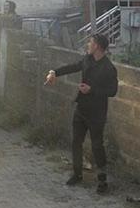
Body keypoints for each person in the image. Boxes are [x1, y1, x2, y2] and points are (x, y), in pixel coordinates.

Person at [44, 34, 117, 193]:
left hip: (97, 113)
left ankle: (102, 181)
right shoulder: (87, 60)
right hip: (81, 109)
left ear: (97, 46)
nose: (88, 45)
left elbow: (113, 91)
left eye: (90, 42)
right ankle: (77, 174)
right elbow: (73, 66)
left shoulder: (108, 68)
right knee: (76, 142)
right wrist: (54, 72)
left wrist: (92, 90)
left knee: (97, 145)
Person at [0, 0, 23, 73]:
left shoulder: (16, 17)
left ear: (11, 7)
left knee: (9, 61)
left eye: (7, 6)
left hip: (11, 43)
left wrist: (1, 17)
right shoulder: (0, 16)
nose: (5, 8)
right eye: (4, 6)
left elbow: (13, 24)